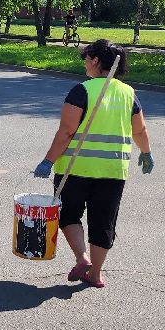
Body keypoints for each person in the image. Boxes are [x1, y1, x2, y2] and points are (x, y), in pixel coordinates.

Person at [32, 38, 154, 288]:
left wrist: (48, 160)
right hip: (113, 171)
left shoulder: (82, 91)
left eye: (86, 58)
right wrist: (146, 152)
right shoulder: (129, 94)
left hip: (75, 169)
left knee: (68, 215)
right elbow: (139, 130)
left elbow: (67, 131)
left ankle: (82, 258)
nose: (84, 63)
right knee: (103, 222)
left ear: (96, 61)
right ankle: (96, 274)